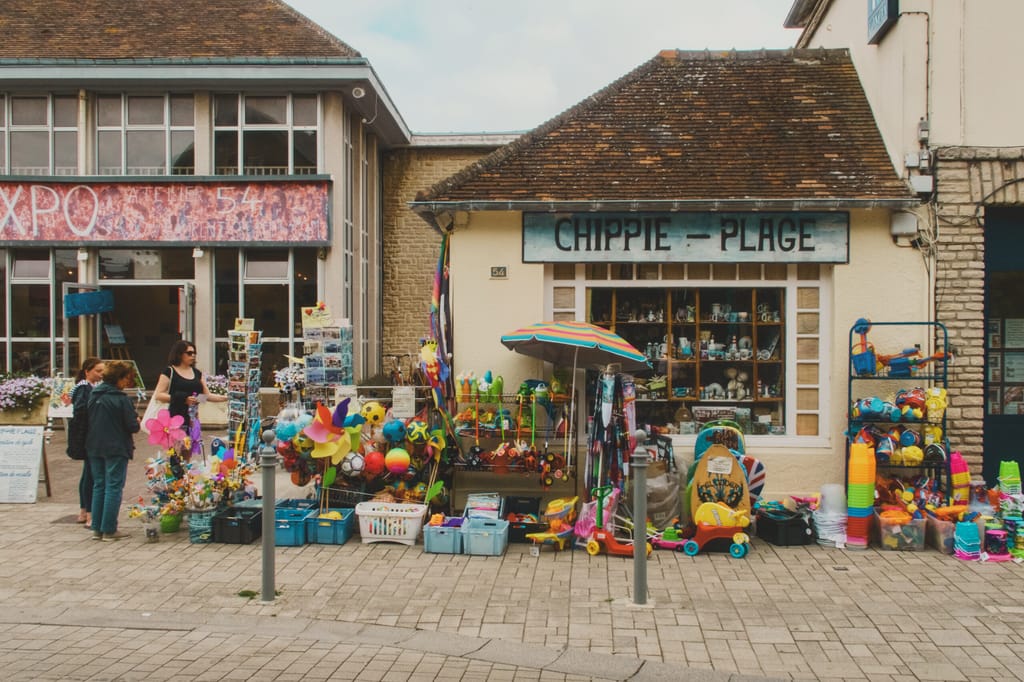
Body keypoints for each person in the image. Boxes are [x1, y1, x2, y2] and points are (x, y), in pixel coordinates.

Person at [87, 360, 141, 542]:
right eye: (126, 378)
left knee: (99, 485)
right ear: (119, 378)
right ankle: (109, 529)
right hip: (116, 446)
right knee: (113, 486)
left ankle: (97, 528)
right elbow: (132, 426)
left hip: (94, 445)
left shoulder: (94, 395)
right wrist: (137, 420)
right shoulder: (121, 399)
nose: (127, 382)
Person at [152, 340, 228, 432]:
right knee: (179, 445)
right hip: (175, 419)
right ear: (179, 354)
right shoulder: (169, 371)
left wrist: (228, 397)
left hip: (193, 420)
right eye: (189, 353)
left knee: (193, 445)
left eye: (194, 353)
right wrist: (183, 399)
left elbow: (206, 396)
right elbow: (159, 395)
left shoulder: (197, 373)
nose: (193, 355)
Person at [67, 357, 104, 524]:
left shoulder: (90, 387)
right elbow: (81, 411)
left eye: (103, 371)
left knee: (87, 474)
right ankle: (88, 511)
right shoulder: (84, 388)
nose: (101, 374)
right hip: (88, 435)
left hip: (87, 435)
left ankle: (84, 510)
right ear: (87, 371)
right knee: (91, 475)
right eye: (98, 371)